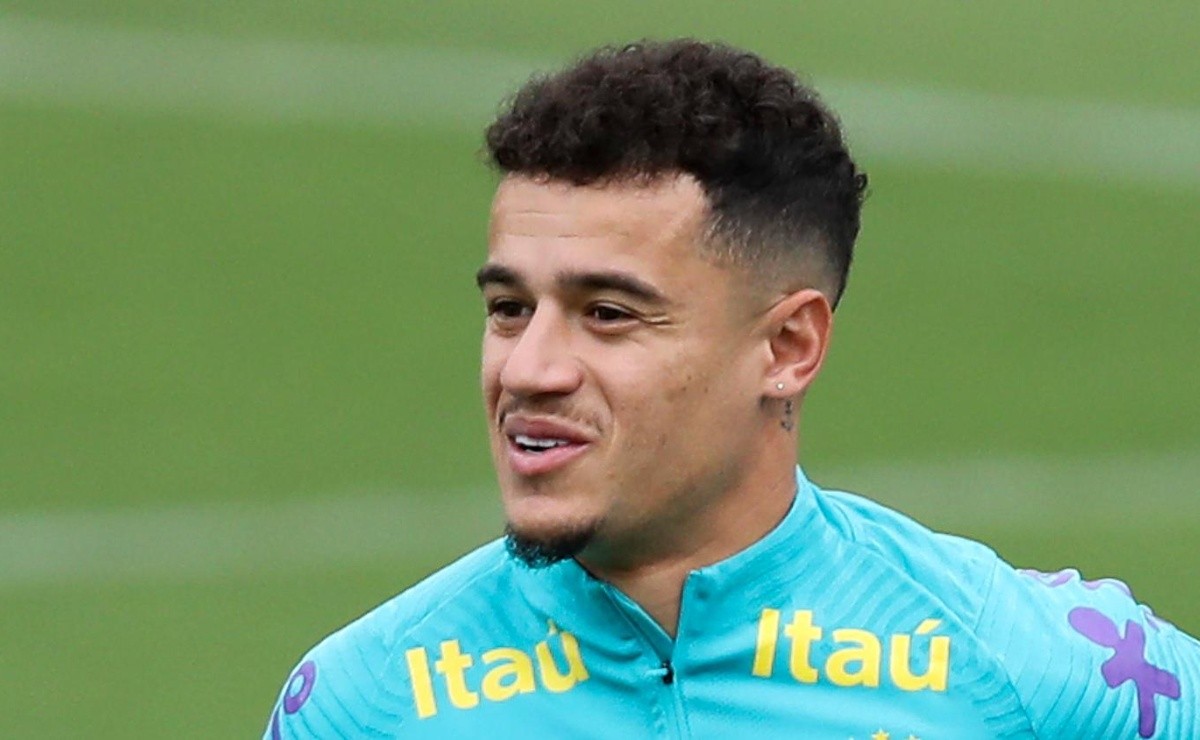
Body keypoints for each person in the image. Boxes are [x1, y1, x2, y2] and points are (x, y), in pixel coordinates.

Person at [264, 39, 1198, 739]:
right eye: (510, 309)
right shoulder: (365, 702)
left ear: (788, 346)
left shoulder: (1025, 666)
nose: (528, 369)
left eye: (608, 314)